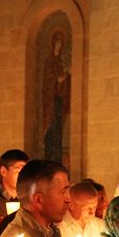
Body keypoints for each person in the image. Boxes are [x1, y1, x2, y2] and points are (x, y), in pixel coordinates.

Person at [43, 31, 71, 164]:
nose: (59, 44)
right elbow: (49, 81)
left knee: (58, 131)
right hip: (50, 102)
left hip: (59, 99)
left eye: (61, 42)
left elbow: (62, 81)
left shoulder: (60, 61)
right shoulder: (50, 61)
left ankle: (57, 160)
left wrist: (65, 78)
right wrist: (60, 78)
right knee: (52, 130)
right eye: (57, 41)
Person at [0, 149, 29, 219]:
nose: (23, 176)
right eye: (18, 171)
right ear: (3, 171)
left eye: (26, 172)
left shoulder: (29, 199)